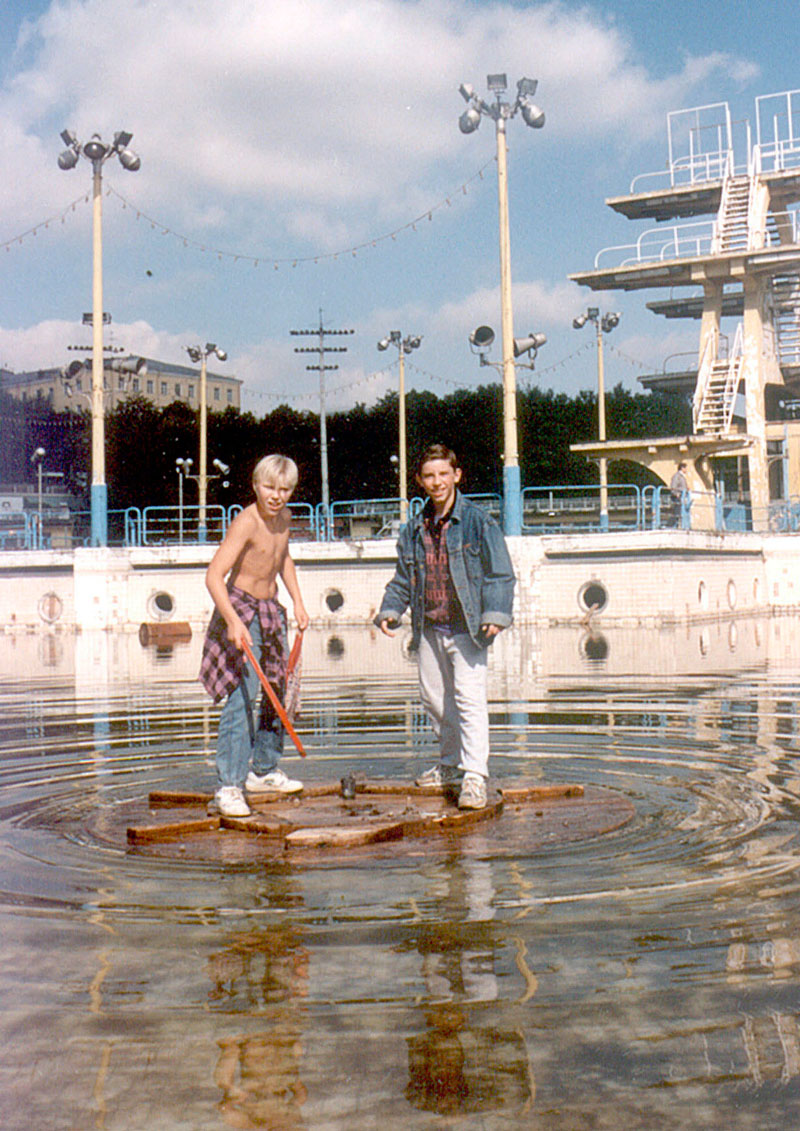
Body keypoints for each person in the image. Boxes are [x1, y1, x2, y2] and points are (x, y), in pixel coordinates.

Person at [375, 444, 515, 810]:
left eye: (443, 474)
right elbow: (403, 579)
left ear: (457, 475)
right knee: (435, 701)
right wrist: (391, 609)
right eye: (429, 476)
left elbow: (500, 573)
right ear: (420, 481)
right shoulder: (412, 529)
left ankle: (474, 776)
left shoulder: (478, 522)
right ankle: (450, 764)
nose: (437, 482)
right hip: (430, 628)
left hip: (468, 629)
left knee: (469, 700)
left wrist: (494, 615)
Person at [200, 454, 309, 817]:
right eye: (269, 487)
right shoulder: (246, 522)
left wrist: (298, 602)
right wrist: (232, 620)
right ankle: (229, 785)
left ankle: (263, 769)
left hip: (271, 611)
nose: (276, 495)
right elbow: (214, 575)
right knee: (242, 696)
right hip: (241, 612)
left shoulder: (285, 518)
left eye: (284, 489)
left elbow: (284, 559)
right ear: (255, 485)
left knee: (277, 690)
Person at [669, 461, 688, 528]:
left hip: (682, 497)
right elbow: (673, 486)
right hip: (677, 497)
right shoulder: (677, 476)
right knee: (677, 512)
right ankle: (674, 526)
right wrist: (676, 494)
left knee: (680, 512)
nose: (686, 470)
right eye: (685, 468)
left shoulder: (681, 476)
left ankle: (680, 525)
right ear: (682, 468)